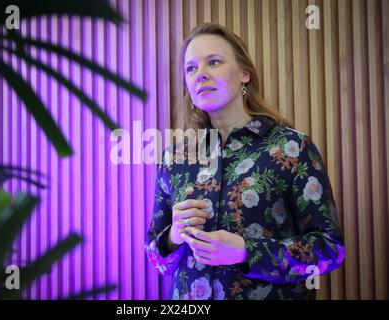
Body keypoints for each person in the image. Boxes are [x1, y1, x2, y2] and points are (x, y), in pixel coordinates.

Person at [145, 23, 345, 300]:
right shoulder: (174, 158)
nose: (200, 74)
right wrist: (174, 236)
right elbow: (156, 259)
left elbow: (328, 250)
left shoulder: (291, 148)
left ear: (244, 75)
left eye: (213, 62)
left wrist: (245, 251)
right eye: (191, 69)